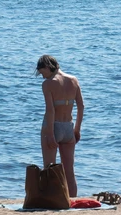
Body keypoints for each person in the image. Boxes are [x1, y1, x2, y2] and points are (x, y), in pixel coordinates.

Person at [36, 55, 85, 197]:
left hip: (53, 127)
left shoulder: (48, 84)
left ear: (47, 67)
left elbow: (50, 110)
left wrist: (50, 134)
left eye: (42, 72)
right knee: (69, 171)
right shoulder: (73, 80)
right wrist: (77, 129)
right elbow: (81, 107)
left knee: (49, 168)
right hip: (68, 127)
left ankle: (50, 200)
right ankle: (72, 200)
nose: (42, 76)